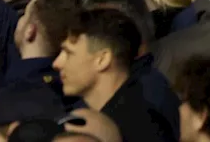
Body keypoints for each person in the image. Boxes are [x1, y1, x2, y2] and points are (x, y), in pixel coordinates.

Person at [54, 7, 178, 142]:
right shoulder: (147, 94)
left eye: (68, 53)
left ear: (102, 60)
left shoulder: (137, 123)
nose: (56, 63)